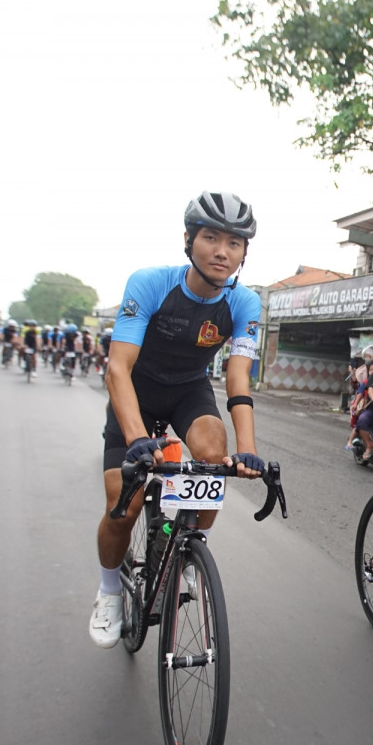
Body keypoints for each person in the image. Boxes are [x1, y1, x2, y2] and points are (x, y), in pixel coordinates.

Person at [89, 191, 266, 649]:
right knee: (123, 506)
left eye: (234, 243)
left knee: (213, 457)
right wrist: (136, 439)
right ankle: (109, 592)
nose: (222, 251)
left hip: (189, 390)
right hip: (138, 392)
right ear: (188, 240)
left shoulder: (245, 303)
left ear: (244, 252)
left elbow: (238, 377)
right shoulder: (150, 283)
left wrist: (247, 450)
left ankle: (185, 550)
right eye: (210, 238)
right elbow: (118, 368)